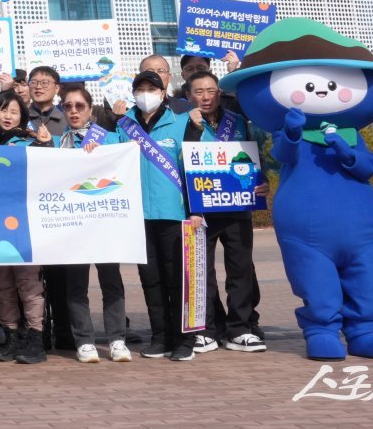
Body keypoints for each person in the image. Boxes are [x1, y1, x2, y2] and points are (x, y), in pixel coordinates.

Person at [113, 70, 199, 362]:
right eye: (141, 88)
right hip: (139, 216)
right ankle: (160, 336)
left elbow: (195, 168)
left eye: (152, 88)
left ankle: (184, 339)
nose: (146, 93)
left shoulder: (183, 122)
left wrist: (196, 209)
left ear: (164, 93)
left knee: (178, 280)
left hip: (175, 215)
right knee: (151, 280)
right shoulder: (125, 125)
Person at [183, 71, 265, 353]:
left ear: (219, 93)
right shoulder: (183, 124)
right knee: (202, 271)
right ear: (188, 96)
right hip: (201, 211)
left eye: (211, 90)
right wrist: (192, 130)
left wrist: (261, 180)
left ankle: (240, 328)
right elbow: (180, 166)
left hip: (237, 205)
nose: (205, 97)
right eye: (198, 91)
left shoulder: (238, 122)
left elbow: (254, 156)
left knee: (240, 269)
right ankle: (205, 329)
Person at [56, 83, 130, 363]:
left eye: (79, 106)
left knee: (111, 281)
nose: (73, 111)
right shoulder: (58, 142)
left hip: (105, 221)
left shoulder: (111, 139)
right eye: (67, 106)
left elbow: (126, 163)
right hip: (73, 224)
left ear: (90, 109)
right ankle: (84, 340)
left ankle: (117, 339)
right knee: (76, 284)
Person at [0, 92, 51, 364]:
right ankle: (11, 335)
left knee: (28, 283)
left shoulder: (31, 144)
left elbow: (52, 174)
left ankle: (36, 337)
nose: (7, 116)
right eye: (2, 110)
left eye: (14, 111)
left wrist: (45, 147)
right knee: (0, 284)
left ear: (22, 117)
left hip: (25, 226)